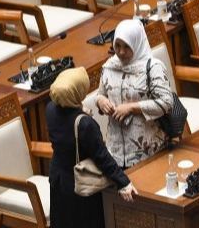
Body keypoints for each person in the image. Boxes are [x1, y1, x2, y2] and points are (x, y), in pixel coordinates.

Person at [46, 67, 137, 228]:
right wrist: (123, 182)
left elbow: (66, 121)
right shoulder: (85, 124)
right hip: (80, 186)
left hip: (59, 181)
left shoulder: (50, 109)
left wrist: (80, 109)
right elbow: (102, 157)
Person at [96, 19, 174, 168]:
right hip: (115, 153)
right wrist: (100, 101)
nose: (121, 52)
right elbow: (101, 94)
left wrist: (132, 107)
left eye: (127, 46)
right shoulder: (109, 66)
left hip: (148, 152)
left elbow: (167, 103)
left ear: (137, 44)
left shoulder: (152, 67)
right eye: (117, 46)